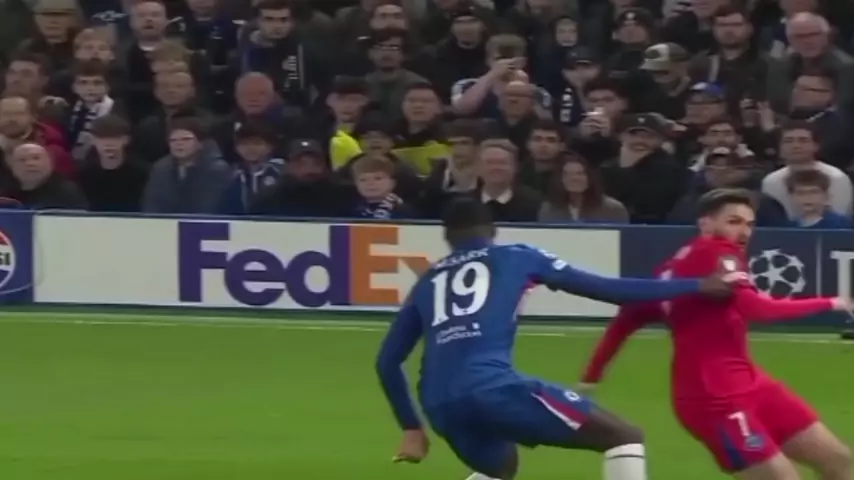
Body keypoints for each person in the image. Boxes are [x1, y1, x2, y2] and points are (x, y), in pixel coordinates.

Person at [375, 197, 736, 480]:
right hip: (491, 387)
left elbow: (387, 362)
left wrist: (411, 427)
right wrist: (696, 286)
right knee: (625, 437)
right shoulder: (517, 256)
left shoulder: (426, 282)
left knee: (500, 468)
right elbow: (609, 289)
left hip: (440, 405)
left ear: (448, 236)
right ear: (493, 229)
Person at [579, 188, 853, 480]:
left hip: (752, 385)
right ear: (706, 224)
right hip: (714, 399)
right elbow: (758, 309)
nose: (744, 232)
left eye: (749, 224)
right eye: (733, 221)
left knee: (838, 459)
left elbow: (626, 320)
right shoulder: (718, 252)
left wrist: (591, 376)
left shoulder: (670, 271)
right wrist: (833, 303)